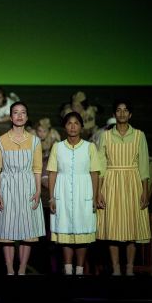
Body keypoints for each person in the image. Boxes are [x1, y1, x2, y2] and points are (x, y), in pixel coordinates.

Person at [0, 101, 46, 275]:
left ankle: (21, 269)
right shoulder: (0, 141)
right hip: (7, 187)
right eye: (16, 112)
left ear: (27, 117)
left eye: (23, 112)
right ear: (10, 116)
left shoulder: (35, 141)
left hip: (28, 187)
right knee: (8, 232)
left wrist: (38, 190)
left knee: (27, 233)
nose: (19, 116)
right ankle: (10, 269)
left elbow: (37, 169)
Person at [96, 99, 151, 276]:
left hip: (132, 183)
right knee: (113, 227)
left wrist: (145, 191)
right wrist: (99, 191)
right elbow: (101, 166)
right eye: (118, 110)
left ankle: (129, 268)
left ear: (130, 114)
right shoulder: (105, 136)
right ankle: (116, 269)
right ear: (114, 114)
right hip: (111, 182)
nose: (122, 113)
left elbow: (143, 165)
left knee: (130, 227)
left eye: (125, 110)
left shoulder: (139, 135)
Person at [47, 112, 100, 275]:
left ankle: (80, 270)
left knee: (82, 233)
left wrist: (94, 197)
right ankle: (68, 270)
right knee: (65, 233)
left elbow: (95, 173)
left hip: (83, 192)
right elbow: (52, 173)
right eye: (69, 123)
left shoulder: (89, 147)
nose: (72, 126)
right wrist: (52, 197)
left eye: (76, 123)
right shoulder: (58, 147)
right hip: (62, 192)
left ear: (81, 127)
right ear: (64, 127)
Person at [29, 118, 61, 190]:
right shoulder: (32, 135)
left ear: (49, 131)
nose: (41, 134)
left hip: (48, 160)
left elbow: (57, 153)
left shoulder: (53, 135)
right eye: (39, 131)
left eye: (44, 131)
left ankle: (46, 178)